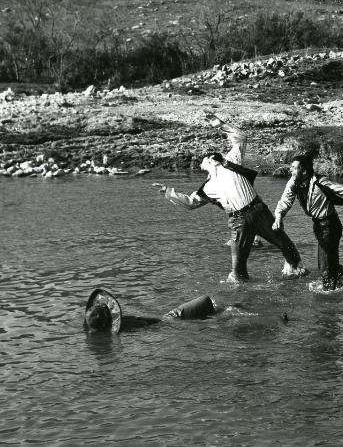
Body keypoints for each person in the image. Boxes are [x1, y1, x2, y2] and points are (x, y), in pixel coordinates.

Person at [154, 113, 307, 283]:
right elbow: (191, 203)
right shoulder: (207, 187)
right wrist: (168, 192)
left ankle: (296, 273)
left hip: (258, 211)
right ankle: (242, 297)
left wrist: (220, 125)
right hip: (238, 221)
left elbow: (241, 137)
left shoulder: (230, 161)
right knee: (238, 270)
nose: (201, 160)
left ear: (213, 159)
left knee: (286, 245)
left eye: (204, 158)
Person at [272, 154, 343, 290]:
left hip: (330, 226)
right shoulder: (293, 182)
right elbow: (285, 201)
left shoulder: (320, 182)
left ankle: (329, 295)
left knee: (325, 267)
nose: (291, 170)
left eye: (294, 168)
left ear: (304, 171)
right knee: (327, 265)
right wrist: (278, 217)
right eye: (291, 167)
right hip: (319, 226)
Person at [83, 288, 216, 333]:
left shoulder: (121, 327)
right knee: (207, 301)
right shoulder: (125, 325)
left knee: (209, 306)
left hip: (167, 320)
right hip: (171, 319)